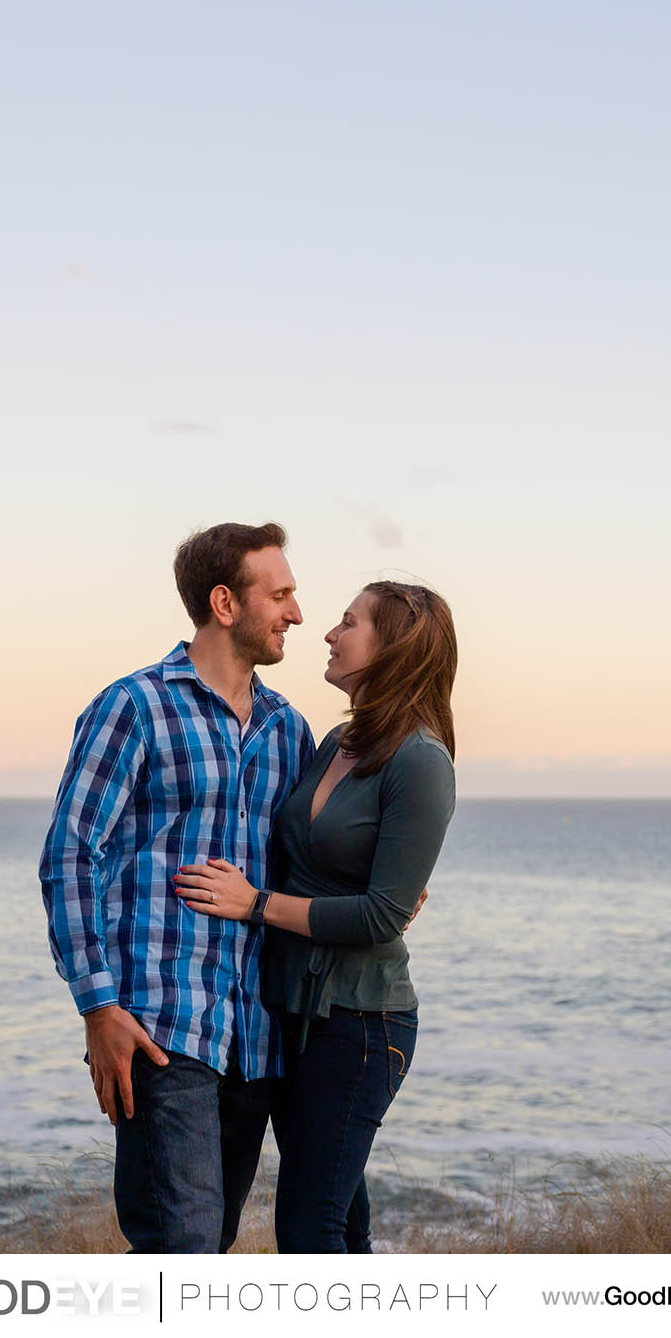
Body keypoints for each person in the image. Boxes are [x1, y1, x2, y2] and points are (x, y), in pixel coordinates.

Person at [39, 520, 313, 1254]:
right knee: (183, 1247)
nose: (296, 613)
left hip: (254, 1038)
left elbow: (308, 862)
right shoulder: (133, 706)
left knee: (201, 1249)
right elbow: (70, 855)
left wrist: (389, 892)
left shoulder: (291, 730)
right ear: (225, 603)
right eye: (280, 595)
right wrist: (98, 1005)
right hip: (162, 1031)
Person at [175, 578, 456, 1253]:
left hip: (360, 1025)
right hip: (293, 1016)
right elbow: (304, 859)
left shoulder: (420, 762)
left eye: (349, 622)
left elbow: (379, 916)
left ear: (395, 648)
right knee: (339, 1221)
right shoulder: (334, 741)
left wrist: (257, 905)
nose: (328, 633)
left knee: (309, 1227)